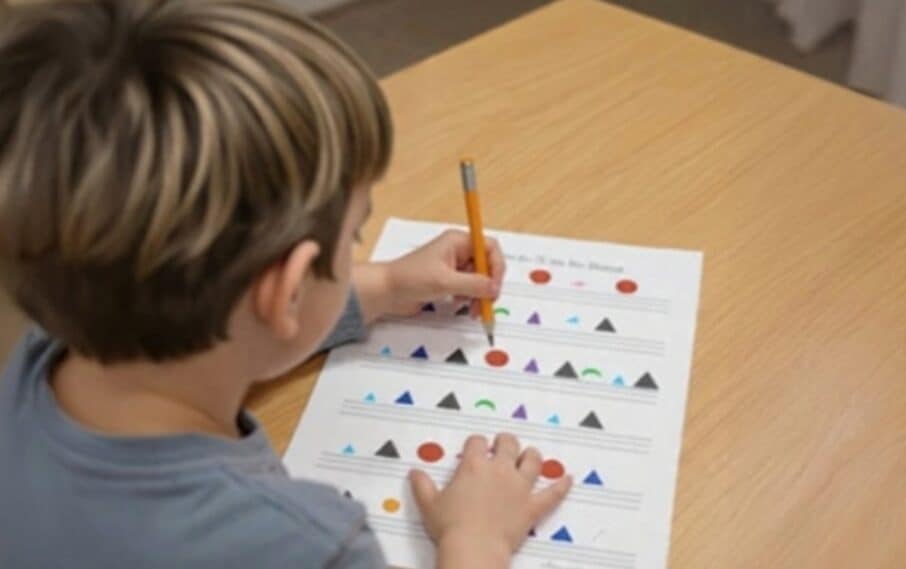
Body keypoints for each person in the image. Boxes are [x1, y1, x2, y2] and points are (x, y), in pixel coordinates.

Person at [0, 1, 571, 567]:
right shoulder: (307, 545)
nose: (359, 253)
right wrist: (476, 541)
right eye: (355, 237)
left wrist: (389, 284)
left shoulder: (37, 351)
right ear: (290, 289)